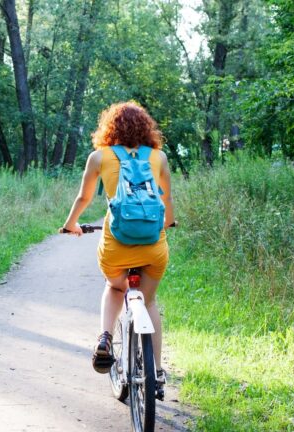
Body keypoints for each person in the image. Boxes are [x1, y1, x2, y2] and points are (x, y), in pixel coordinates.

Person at [60, 101, 176, 393]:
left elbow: (83, 199)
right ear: (146, 127)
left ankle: (104, 338)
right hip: (153, 247)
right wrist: (167, 225)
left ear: (109, 128)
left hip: (116, 246)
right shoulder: (159, 158)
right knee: (149, 303)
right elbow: (168, 203)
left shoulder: (99, 157)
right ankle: (158, 372)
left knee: (114, 287)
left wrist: (71, 225)